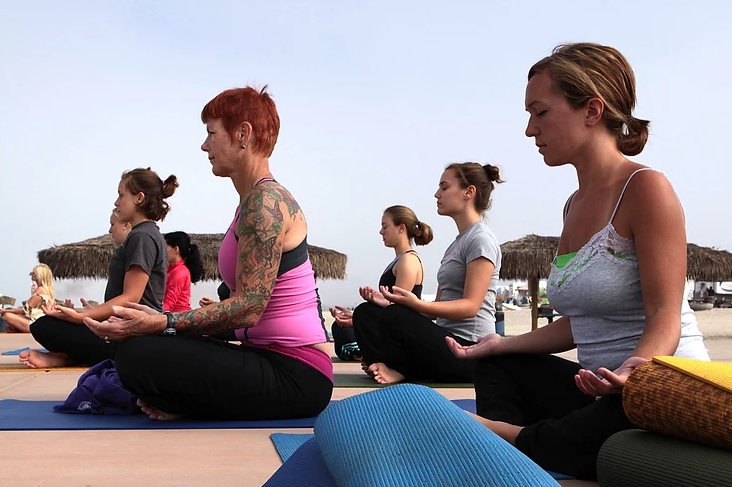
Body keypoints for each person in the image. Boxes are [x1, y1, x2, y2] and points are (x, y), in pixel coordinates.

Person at [448, 43, 709, 480]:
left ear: (592, 110)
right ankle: (523, 449)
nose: (530, 130)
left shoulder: (646, 188)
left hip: (655, 387)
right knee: (495, 364)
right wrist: (499, 344)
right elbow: (581, 321)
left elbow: (665, 316)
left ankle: (505, 440)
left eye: (540, 112)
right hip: (597, 390)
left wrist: (631, 371)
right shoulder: (573, 205)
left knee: (617, 414)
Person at [82, 86, 333, 421]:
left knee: (139, 353)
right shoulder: (249, 203)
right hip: (264, 357)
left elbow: (249, 309)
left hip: (298, 375)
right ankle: (185, 400)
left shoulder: (266, 203)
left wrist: (162, 322)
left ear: (243, 134)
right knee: (137, 347)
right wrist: (163, 329)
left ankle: (185, 402)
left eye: (211, 133)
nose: (204, 145)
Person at [357, 162, 503, 385]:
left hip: (469, 350)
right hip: (445, 340)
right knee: (367, 312)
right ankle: (396, 364)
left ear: (469, 192)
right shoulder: (456, 245)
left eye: (444, 187)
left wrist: (413, 305)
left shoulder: (480, 240)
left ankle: (399, 367)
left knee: (395, 316)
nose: (437, 194)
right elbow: (435, 311)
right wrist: (387, 303)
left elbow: (470, 306)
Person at [19, 168, 176, 368]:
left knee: (44, 327)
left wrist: (81, 317)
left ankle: (68, 358)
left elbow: (131, 297)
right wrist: (94, 312)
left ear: (139, 198)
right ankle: (68, 357)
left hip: (131, 336)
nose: (116, 202)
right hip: (126, 329)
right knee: (50, 324)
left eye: (121, 195)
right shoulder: (146, 234)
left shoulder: (142, 236)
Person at [330, 205, 433, 361]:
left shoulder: (408, 261)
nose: (381, 232)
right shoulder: (399, 261)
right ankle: (361, 350)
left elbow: (399, 311)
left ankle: (370, 354)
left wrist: (359, 318)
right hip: (391, 324)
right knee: (340, 326)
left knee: (363, 313)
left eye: (385, 227)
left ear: (401, 228)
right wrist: (355, 316)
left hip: (401, 332)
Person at [0, 264, 55, 333]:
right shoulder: (46, 290)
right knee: (15, 315)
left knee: (7, 316)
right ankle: (17, 329)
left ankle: (19, 329)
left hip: (35, 324)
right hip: (39, 322)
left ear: (38, 275)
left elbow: (25, 310)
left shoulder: (40, 290)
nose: (31, 275)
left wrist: (5, 311)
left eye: (33, 273)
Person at [163, 231, 204, 312]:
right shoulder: (171, 269)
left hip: (178, 319)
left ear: (176, 249)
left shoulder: (179, 272)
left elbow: (168, 306)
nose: (163, 250)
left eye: (165, 247)